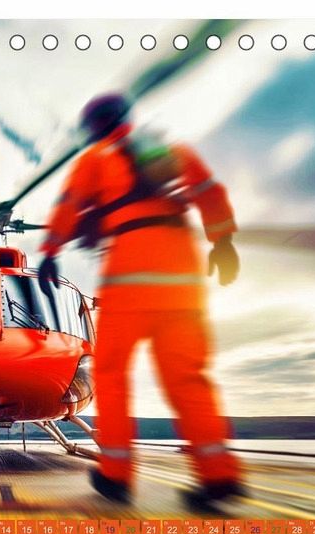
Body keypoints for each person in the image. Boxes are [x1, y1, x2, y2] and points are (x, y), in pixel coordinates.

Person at [37, 93, 243, 509]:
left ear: (94, 126)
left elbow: (69, 205)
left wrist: (51, 251)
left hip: (129, 281)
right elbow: (210, 192)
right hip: (183, 282)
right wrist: (222, 241)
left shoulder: (95, 158)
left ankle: (116, 476)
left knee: (111, 374)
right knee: (190, 378)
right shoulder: (171, 151)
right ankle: (219, 474)